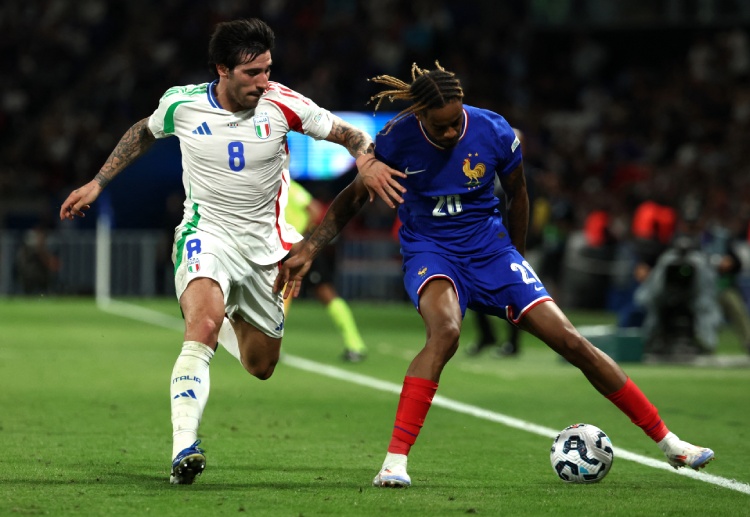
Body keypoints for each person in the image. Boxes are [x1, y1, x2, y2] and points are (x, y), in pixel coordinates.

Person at [275, 62, 714, 488]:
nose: (450, 132)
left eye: (455, 123)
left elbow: (518, 194)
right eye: (440, 126)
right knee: (445, 332)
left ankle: (671, 443)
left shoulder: (495, 131)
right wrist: (312, 247)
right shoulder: (396, 139)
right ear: (421, 115)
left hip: (490, 249)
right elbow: (354, 198)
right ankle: (394, 462)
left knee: (571, 341)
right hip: (431, 250)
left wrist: (515, 259)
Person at [58, 18, 404, 485]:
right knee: (200, 325)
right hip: (207, 234)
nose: (263, 82)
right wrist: (98, 182)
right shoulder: (181, 104)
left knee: (261, 366)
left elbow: (347, 133)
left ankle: (225, 319)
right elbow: (143, 130)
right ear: (222, 69)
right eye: (251, 73)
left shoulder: (284, 103)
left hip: (266, 250)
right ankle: (184, 444)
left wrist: (365, 157)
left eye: (267, 70)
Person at [285, 178, 368, 362]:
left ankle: (354, 344)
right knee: (279, 295)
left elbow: (314, 209)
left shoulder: (289, 187)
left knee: (325, 293)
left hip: (303, 251)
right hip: (283, 250)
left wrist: (303, 239)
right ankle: (271, 345)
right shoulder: (267, 186)